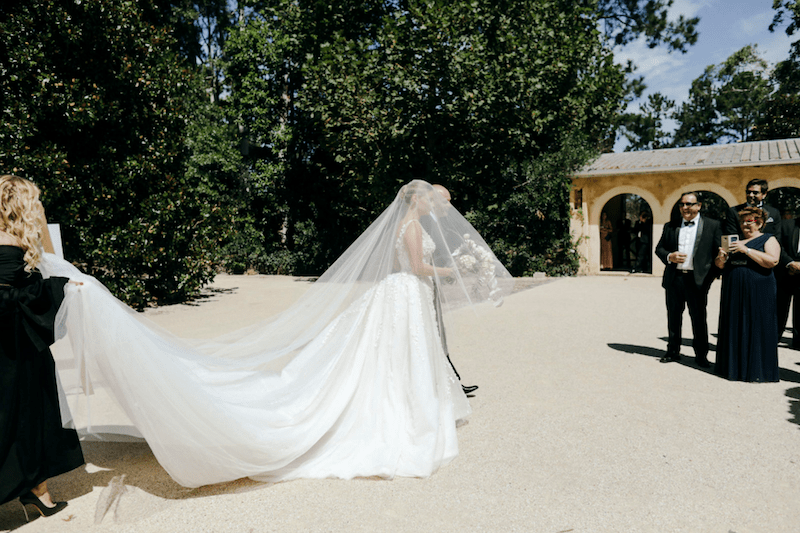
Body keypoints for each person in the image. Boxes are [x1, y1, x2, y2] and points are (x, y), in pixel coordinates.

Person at [41, 180, 513, 487]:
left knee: (392, 358)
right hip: (405, 293)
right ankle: (403, 415)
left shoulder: (410, 221)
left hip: (403, 296)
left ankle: (408, 405)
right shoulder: (412, 226)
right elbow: (415, 266)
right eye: (436, 201)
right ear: (419, 199)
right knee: (392, 358)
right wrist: (453, 270)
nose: (439, 210)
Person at [0, 175, 84, 519]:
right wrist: (64, 287)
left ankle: (38, 491)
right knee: (27, 410)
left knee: (15, 411)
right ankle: (37, 491)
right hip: (14, 339)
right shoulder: (18, 239)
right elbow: (30, 287)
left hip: (12, 334)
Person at [655, 192, 721, 367]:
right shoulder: (671, 226)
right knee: (674, 317)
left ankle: (701, 355)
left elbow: (717, 253)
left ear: (699, 206)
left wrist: (709, 278)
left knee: (698, 318)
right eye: (683, 204)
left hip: (697, 280)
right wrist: (670, 256)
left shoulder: (712, 226)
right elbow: (659, 248)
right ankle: (673, 351)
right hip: (674, 278)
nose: (686, 208)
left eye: (690, 204)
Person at [714, 207, 780, 382]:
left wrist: (747, 250)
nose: (744, 225)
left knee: (757, 325)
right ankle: (732, 368)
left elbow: (772, 261)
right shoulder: (736, 241)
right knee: (735, 324)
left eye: (749, 221)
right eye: (742, 221)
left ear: (759, 223)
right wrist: (721, 257)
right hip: (734, 291)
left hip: (759, 291)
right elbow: (720, 266)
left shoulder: (768, 239)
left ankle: (757, 371)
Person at [427, 184, 478, 395]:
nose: (450, 206)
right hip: (423, 282)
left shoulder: (434, 220)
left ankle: (451, 381)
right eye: (446, 201)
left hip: (431, 281)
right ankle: (451, 383)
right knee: (432, 332)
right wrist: (449, 270)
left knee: (437, 332)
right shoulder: (424, 220)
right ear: (434, 199)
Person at [777, 213, 800, 348]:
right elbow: (778, 245)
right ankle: (774, 337)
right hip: (786, 272)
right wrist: (790, 263)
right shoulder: (786, 225)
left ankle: (798, 342)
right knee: (779, 307)